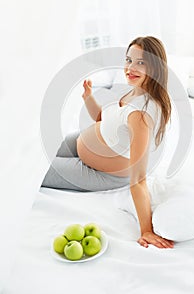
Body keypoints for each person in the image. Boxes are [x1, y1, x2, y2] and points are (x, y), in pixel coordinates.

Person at [42, 36, 174, 249]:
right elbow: (104, 118)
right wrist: (88, 98)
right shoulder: (136, 90)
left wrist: (146, 230)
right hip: (80, 143)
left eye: (140, 62)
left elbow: (139, 179)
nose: (130, 68)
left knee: (33, 170)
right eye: (128, 60)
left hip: (99, 172)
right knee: (33, 152)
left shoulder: (141, 115)